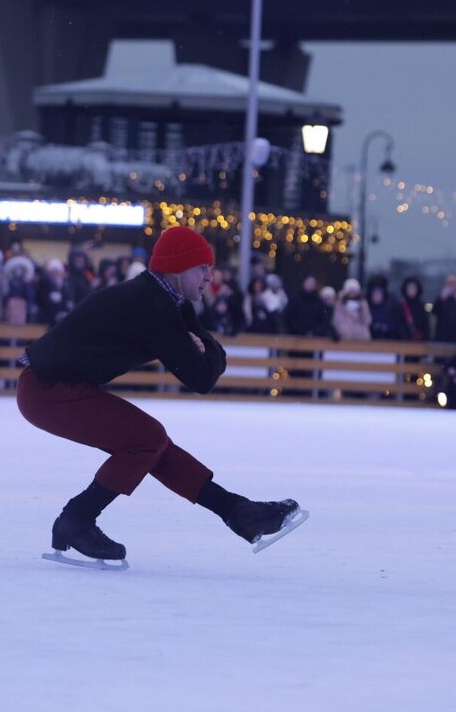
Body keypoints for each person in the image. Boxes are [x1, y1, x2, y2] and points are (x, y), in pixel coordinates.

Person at [16, 226, 304, 565]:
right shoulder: (152, 307)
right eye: (202, 268)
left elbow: (206, 357)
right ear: (178, 268)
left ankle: (236, 510)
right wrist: (208, 348)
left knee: (153, 445)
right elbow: (201, 376)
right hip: (46, 389)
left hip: (58, 385)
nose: (210, 277)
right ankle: (76, 519)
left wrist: (206, 347)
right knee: (147, 439)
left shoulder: (170, 301)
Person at [432, 274, 456, 343]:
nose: (452, 286)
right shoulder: (442, 298)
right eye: (450, 284)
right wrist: (441, 298)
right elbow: (434, 311)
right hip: (442, 336)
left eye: (454, 283)